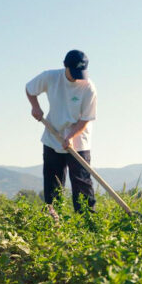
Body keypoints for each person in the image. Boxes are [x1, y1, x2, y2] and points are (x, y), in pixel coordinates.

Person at [25, 50, 98, 213]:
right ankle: (53, 224)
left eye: (81, 72)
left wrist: (71, 136)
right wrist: (35, 107)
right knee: (53, 185)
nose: (78, 77)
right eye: (74, 72)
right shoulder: (50, 77)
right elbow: (30, 89)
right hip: (53, 137)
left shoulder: (89, 88)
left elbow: (85, 119)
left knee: (82, 184)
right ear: (65, 66)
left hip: (79, 142)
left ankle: (88, 223)